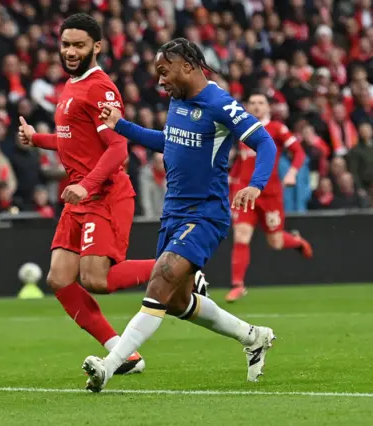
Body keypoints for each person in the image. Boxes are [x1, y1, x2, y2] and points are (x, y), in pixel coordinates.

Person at [81, 38, 278, 392]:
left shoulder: (218, 102)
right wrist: (121, 125)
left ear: (187, 65)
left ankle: (109, 366)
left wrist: (256, 185)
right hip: (173, 212)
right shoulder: (177, 101)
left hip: (205, 213)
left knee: (161, 279)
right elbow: (168, 141)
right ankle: (253, 337)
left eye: (164, 71)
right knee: (175, 301)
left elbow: (265, 143)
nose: (160, 80)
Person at [19, 13, 160, 376]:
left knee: (97, 280)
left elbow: (118, 149)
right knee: (60, 278)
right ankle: (123, 353)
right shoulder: (72, 85)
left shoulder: (100, 88)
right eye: (65, 44)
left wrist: (86, 185)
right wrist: (37, 139)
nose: (69, 51)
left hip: (104, 193)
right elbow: (73, 141)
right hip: (80, 197)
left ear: (97, 46)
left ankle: (179, 270)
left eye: (78, 45)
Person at [226, 93, 313, 302]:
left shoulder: (276, 128)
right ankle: (238, 285)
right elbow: (241, 161)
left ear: (268, 107)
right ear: (247, 106)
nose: (256, 106)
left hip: (270, 193)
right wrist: (230, 185)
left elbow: (299, 152)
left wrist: (292, 172)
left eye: (260, 103)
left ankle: (297, 242)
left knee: (275, 242)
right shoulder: (241, 129)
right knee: (241, 235)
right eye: (252, 103)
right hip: (245, 192)